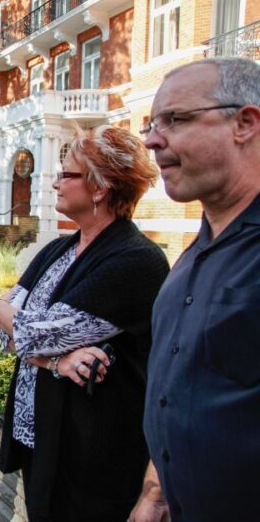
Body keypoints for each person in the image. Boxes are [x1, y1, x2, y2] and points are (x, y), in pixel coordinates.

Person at [0, 126, 170, 522]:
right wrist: (57, 360)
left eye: (66, 174)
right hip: (38, 439)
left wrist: (5, 313)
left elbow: (29, 334)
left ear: (100, 187)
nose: (55, 183)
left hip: (91, 456)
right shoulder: (60, 248)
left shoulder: (135, 261)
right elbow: (6, 328)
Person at [129, 58, 260, 522]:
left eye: (175, 119)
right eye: (150, 124)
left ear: (245, 123)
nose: (151, 140)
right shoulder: (191, 254)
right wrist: (155, 492)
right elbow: (179, 391)